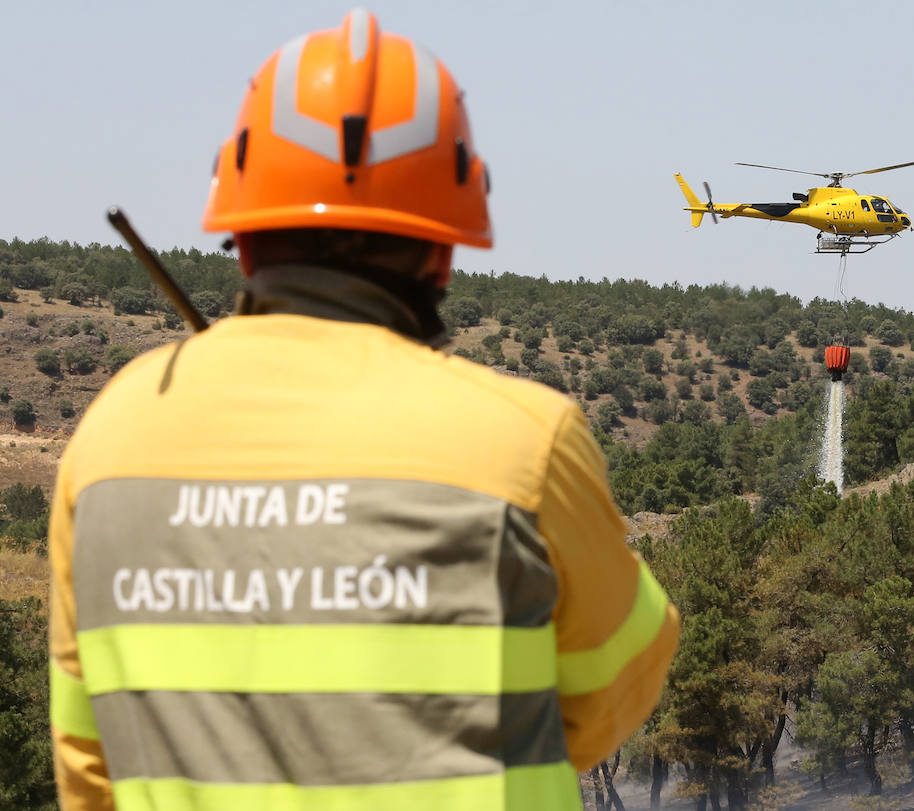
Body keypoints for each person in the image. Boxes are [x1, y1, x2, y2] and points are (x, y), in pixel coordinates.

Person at [48, 10, 678, 809]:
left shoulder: (107, 441)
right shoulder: (522, 442)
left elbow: (90, 764)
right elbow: (613, 691)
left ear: (240, 234)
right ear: (444, 247)